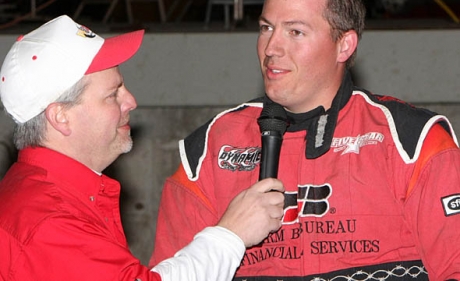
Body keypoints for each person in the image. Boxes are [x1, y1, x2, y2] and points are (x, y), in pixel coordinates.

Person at [150, 0, 460, 281]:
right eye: (266, 28)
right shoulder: (210, 148)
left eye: (295, 31)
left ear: (344, 45)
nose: (272, 47)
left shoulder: (411, 141)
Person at [0, 15, 286, 281]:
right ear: (61, 117)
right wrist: (231, 234)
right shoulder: (51, 224)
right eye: (113, 95)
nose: (131, 101)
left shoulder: (39, 194)